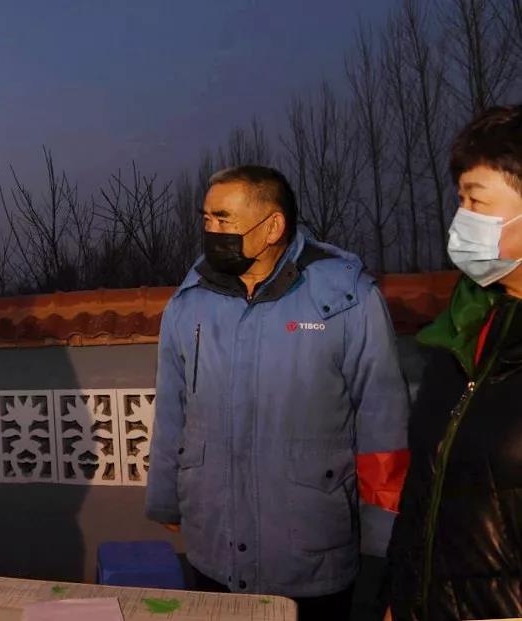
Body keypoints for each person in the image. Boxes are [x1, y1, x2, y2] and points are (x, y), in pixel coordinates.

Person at [145, 165, 410, 620]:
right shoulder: (190, 300)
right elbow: (173, 406)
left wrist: (383, 535)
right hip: (214, 542)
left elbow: (383, 418)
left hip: (311, 546)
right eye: (206, 218)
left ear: (272, 227)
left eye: (224, 219)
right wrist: (165, 496)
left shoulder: (347, 298)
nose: (211, 230)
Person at [387, 104, 522, 621]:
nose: (462, 218)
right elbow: (426, 485)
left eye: (476, 200)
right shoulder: (462, 329)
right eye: (459, 200)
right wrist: (399, 599)